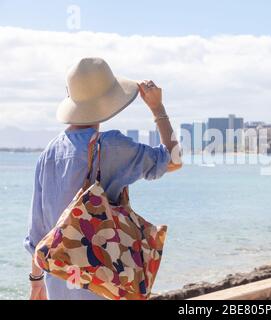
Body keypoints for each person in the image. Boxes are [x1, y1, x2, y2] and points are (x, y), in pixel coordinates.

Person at [24, 57, 182, 300]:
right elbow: (172, 159)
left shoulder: (49, 153)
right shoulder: (112, 146)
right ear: (107, 101)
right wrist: (157, 108)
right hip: (102, 283)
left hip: (58, 281)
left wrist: (36, 280)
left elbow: (38, 231)